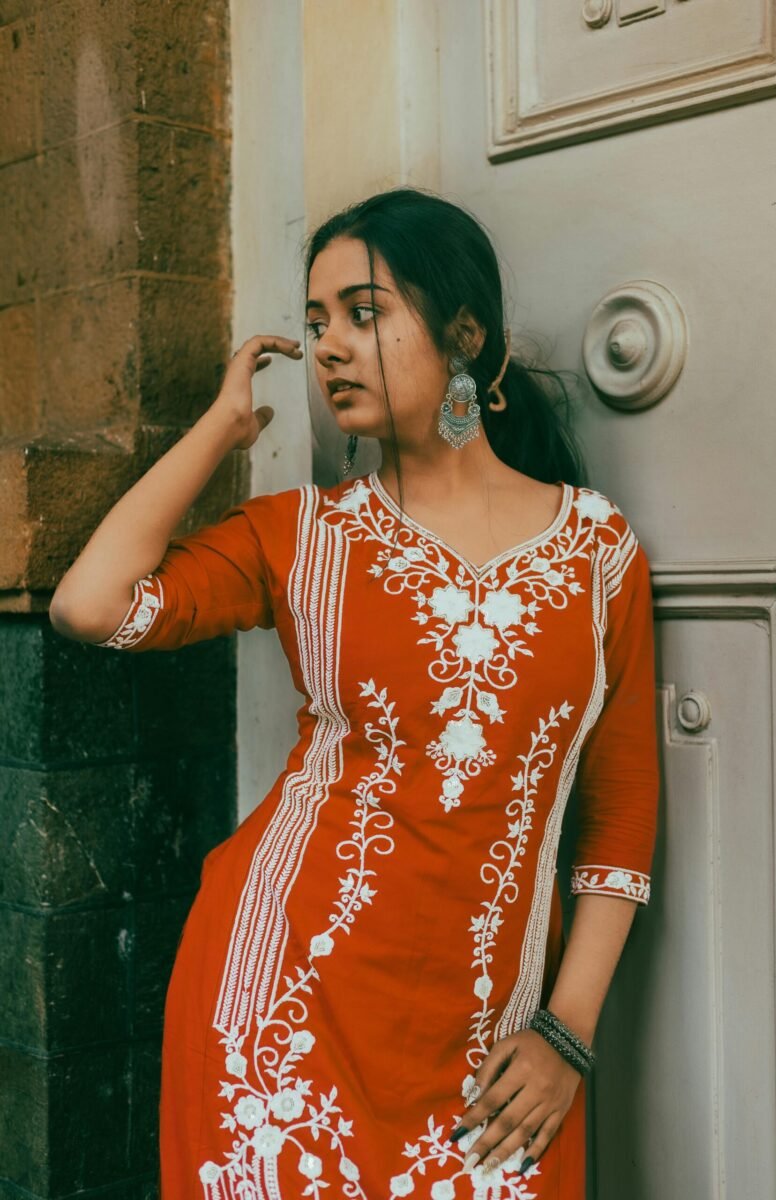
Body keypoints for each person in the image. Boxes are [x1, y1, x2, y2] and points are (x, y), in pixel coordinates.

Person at [50, 187, 659, 1199]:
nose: (329, 346)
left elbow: (618, 813)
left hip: (493, 1046)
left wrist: (567, 1028)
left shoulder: (595, 551)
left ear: (465, 333)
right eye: (315, 320)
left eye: (363, 312)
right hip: (279, 1019)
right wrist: (219, 429)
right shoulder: (302, 537)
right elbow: (88, 605)